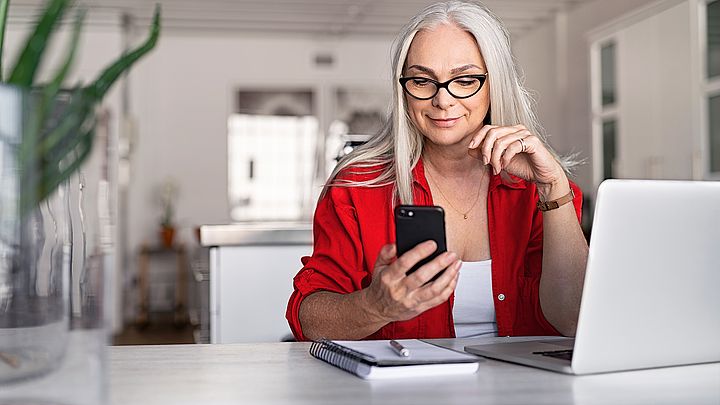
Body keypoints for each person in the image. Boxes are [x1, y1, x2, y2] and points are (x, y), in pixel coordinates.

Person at [286, 0, 589, 341]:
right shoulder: (356, 186)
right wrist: (375, 306)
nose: (442, 101)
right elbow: (308, 321)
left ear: (495, 85)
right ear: (404, 91)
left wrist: (554, 188)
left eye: (464, 80)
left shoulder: (542, 189)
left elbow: (574, 320)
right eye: (422, 81)